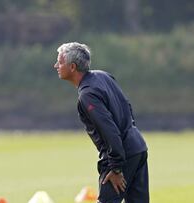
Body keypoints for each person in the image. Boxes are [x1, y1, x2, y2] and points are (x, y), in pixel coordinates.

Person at [53, 42, 149, 203]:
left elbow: (108, 129)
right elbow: (127, 106)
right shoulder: (103, 75)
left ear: (72, 67)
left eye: (60, 62)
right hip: (138, 146)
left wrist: (116, 167)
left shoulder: (87, 95)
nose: (56, 65)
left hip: (122, 156)